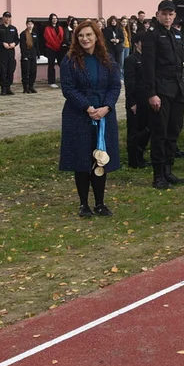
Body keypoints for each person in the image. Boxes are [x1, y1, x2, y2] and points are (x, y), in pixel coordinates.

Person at [59, 19, 121, 218]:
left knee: (100, 159)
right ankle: (83, 204)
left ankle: (100, 203)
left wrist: (107, 107)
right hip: (78, 115)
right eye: (81, 35)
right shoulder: (69, 60)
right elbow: (68, 89)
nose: (85, 39)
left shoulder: (107, 59)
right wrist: (87, 107)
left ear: (96, 36)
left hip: (103, 116)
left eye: (88, 35)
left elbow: (115, 86)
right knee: (82, 159)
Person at [142, 0, 184, 189]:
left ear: (175, 16)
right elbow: (148, 67)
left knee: (173, 131)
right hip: (161, 90)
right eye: (164, 14)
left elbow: (180, 63)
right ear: (157, 14)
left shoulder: (176, 35)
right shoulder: (151, 36)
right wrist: (152, 93)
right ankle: (158, 175)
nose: (168, 17)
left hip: (177, 89)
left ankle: (168, 170)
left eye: (171, 14)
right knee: (160, 133)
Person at [123, 31, 150, 168]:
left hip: (146, 99)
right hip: (135, 99)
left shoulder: (148, 58)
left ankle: (141, 155)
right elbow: (130, 82)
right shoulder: (131, 59)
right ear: (136, 43)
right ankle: (133, 159)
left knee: (146, 128)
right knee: (134, 130)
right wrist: (131, 101)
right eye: (143, 42)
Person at [0, 12, 19, 95]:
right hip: (2, 54)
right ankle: (3, 88)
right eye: (6, 17)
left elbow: (17, 40)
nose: (7, 19)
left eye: (9, 17)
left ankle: (8, 87)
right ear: (3, 18)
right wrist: (2, 43)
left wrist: (14, 44)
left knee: (10, 71)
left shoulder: (13, 28)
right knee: (2, 71)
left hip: (11, 54)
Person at [43, 14, 65, 88]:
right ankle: (51, 82)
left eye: (56, 18)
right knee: (51, 65)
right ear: (50, 19)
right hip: (51, 49)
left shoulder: (60, 28)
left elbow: (62, 38)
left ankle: (64, 80)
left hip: (60, 49)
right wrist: (56, 46)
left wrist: (60, 46)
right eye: (53, 18)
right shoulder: (47, 28)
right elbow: (49, 39)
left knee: (62, 65)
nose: (54, 20)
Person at [19, 18, 39, 93]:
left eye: (31, 24)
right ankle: (25, 88)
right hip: (26, 55)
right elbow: (22, 46)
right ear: (26, 25)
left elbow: (36, 45)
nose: (30, 26)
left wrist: (38, 54)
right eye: (28, 24)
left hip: (33, 55)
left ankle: (31, 86)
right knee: (25, 71)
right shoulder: (23, 34)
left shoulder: (34, 34)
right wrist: (24, 56)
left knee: (33, 71)